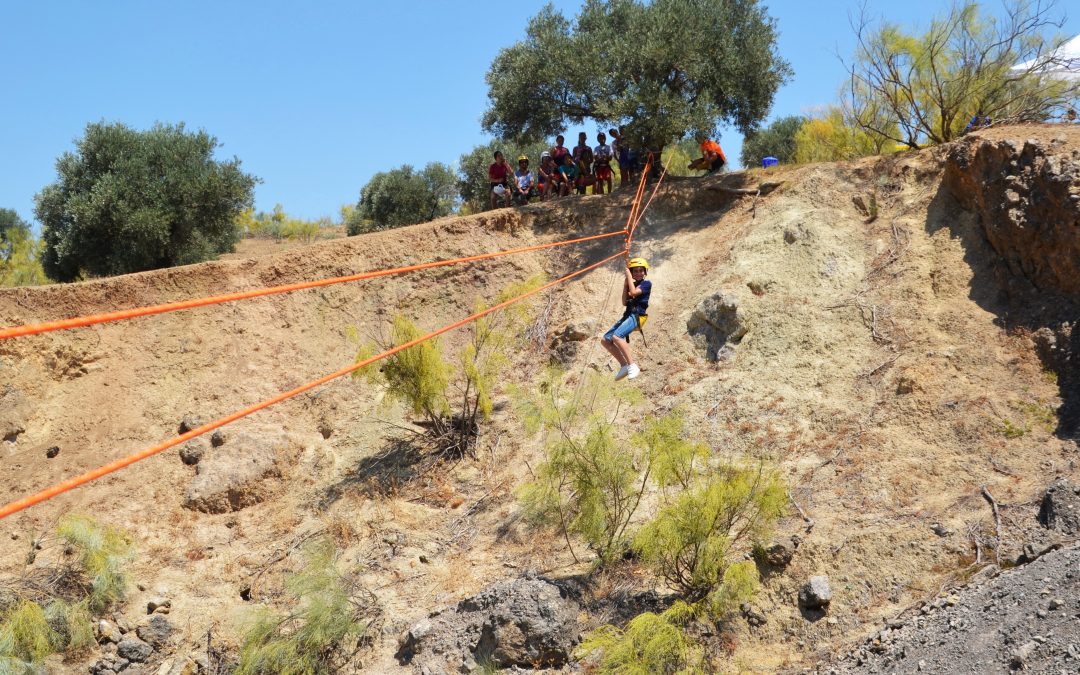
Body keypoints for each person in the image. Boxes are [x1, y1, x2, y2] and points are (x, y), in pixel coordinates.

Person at [601, 257, 651, 380]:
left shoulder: (646, 284)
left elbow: (634, 293)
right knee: (606, 340)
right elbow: (624, 302)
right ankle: (624, 365)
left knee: (617, 336)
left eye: (640, 270)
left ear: (645, 272)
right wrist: (625, 285)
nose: (638, 273)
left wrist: (628, 275)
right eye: (635, 271)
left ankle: (632, 365)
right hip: (628, 316)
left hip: (637, 316)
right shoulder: (631, 284)